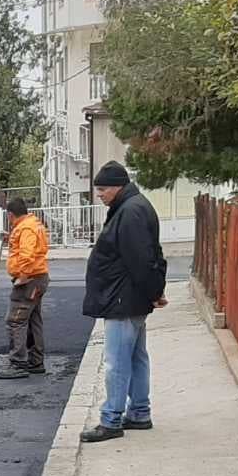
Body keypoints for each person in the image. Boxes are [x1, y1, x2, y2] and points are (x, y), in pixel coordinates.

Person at [80, 161, 168, 443]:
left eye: (103, 189)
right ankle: (139, 412)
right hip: (130, 297)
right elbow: (152, 254)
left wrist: (154, 291)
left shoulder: (129, 213)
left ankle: (111, 419)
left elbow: (141, 260)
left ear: (118, 186)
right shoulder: (133, 207)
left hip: (123, 299)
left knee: (117, 362)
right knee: (136, 357)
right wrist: (154, 290)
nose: (99, 195)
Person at [0, 196, 50, 379]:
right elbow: (26, 248)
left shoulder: (26, 228)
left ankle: (18, 363)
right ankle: (36, 362)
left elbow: (27, 255)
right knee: (33, 319)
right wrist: (10, 238)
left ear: (10, 214)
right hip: (38, 278)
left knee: (15, 320)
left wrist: (23, 277)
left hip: (30, 280)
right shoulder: (31, 224)